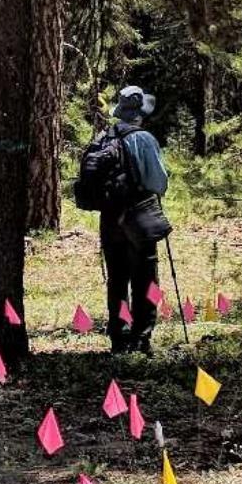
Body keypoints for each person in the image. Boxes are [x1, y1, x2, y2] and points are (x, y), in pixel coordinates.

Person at [99, 85, 168, 355]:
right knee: (146, 279)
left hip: (109, 219)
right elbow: (158, 183)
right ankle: (142, 337)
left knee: (117, 279)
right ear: (140, 113)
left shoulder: (105, 137)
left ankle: (120, 338)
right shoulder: (144, 139)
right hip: (139, 217)